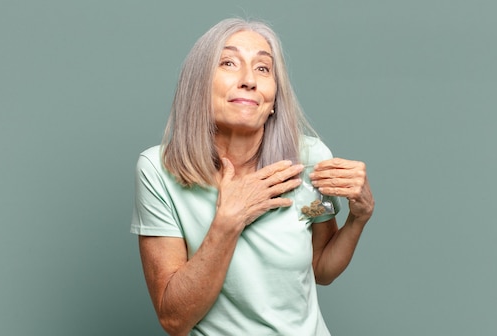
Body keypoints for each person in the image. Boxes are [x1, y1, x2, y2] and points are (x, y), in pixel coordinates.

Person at [131, 18, 375, 336]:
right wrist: (228, 220)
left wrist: (358, 218)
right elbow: (174, 320)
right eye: (229, 62)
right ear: (198, 85)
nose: (249, 80)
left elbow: (321, 268)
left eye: (263, 68)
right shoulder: (158, 170)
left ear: (274, 98)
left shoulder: (311, 160)